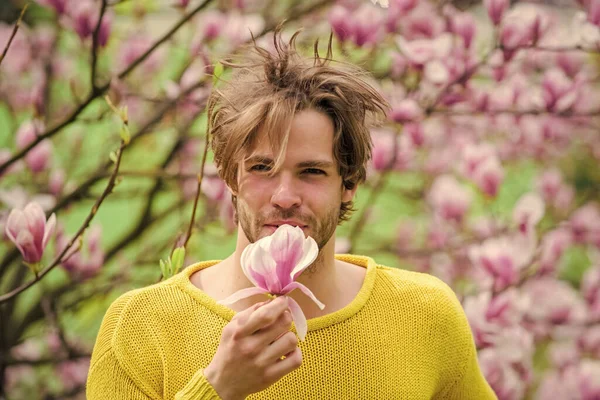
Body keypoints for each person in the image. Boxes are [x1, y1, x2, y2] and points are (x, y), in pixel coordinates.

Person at [86, 31, 497, 400]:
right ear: (230, 176)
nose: (285, 197)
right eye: (262, 168)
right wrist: (217, 389)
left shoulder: (426, 314)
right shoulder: (139, 328)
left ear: (349, 183)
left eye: (312, 172)